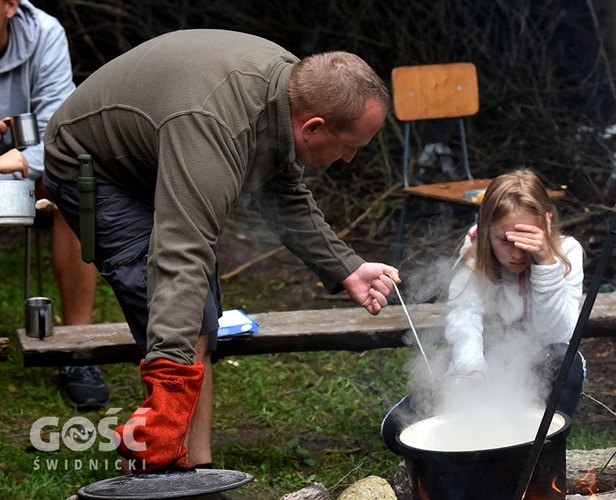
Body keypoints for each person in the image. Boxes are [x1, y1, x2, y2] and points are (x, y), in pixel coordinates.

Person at [43, 29, 400, 473]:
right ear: (313, 127)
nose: (348, 159)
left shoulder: (289, 89)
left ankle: (193, 464)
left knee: (200, 317)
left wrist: (347, 267)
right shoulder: (213, 124)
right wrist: (170, 388)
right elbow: (180, 253)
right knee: (179, 306)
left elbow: (283, 196)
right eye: (350, 148)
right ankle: (162, 456)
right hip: (97, 165)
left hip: (160, 149)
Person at [0, 0, 109, 410]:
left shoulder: (44, 34)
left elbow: (60, 133)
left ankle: (75, 351)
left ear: (10, 6)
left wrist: (23, 159)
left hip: (28, 163)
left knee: (78, 186)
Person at [442, 169, 585, 417]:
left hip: (543, 369)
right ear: (486, 230)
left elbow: (559, 337)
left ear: (547, 224)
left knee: (564, 360)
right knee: (399, 429)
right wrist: (472, 371)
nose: (517, 253)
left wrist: (546, 265)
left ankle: (546, 441)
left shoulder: (567, 253)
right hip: (488, 365)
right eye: (506, 240)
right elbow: (465, 317)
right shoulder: (475, 253)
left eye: (527, 239)